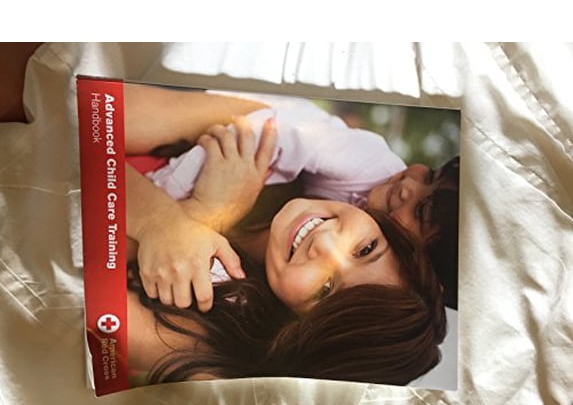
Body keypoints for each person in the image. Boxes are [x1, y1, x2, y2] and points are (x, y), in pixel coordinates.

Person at [125, 122, 447, 388]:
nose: (325, 244)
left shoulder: (203, 332)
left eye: (325, 289)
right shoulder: (278, 161)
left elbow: (92, 294)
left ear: (296, 329)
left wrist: (195, 216)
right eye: (365, 249)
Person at [124, 84, 460, 309]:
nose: (411, 182)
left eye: (422, 212)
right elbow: (266, 134)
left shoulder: (350, 288)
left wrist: (195, 218)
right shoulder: (373, 164)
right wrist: (176, 204)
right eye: (431, 175)